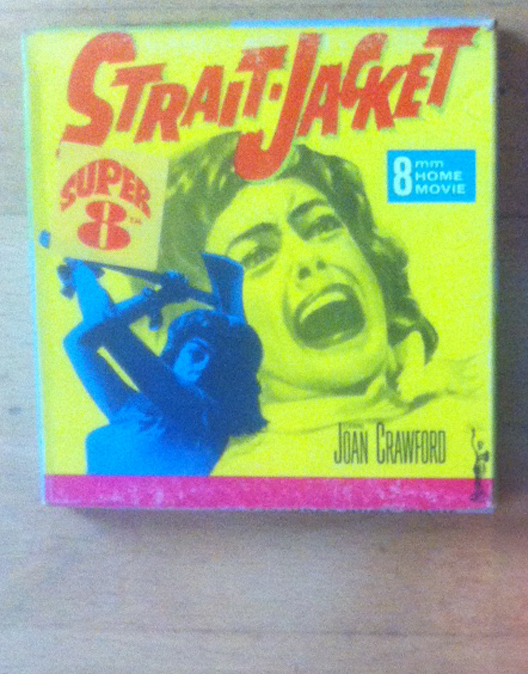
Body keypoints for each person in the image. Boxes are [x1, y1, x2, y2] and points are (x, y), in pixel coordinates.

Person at [158, 134, 471, 473]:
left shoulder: (468, 406)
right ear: (215, 325)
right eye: (258, 254)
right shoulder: (248, 474)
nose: (309, 257)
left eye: (323, 225)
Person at [62, 258, 264, 476]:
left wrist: (82, 272)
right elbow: (79, 342)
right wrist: (156, 298)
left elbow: (107, 327)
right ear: (174, 356)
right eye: (196, 354)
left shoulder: (200, 416)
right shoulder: (137, 410)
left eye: (219, 363)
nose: (204, 366)